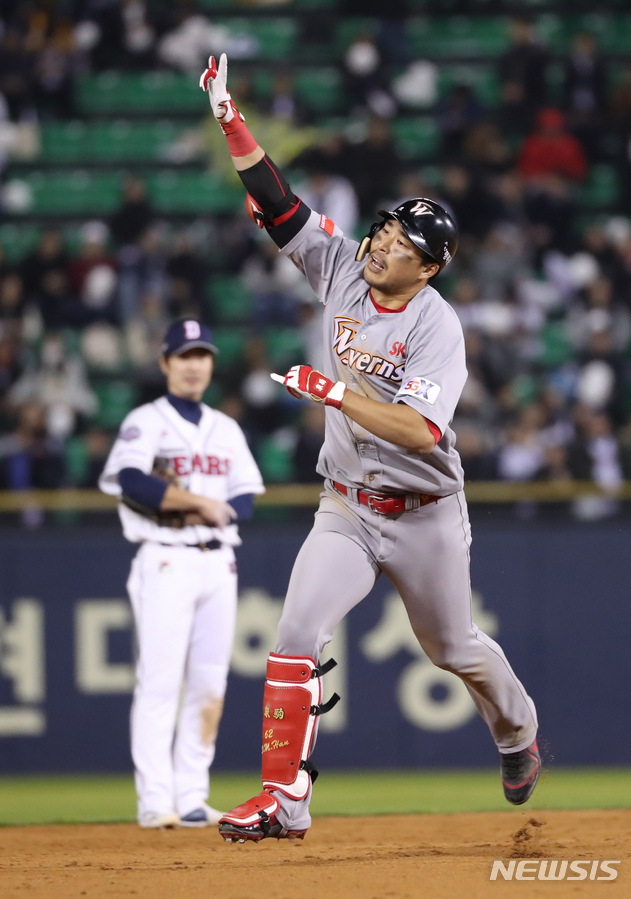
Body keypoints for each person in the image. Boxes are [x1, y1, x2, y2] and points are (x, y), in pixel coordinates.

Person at [199, 54, 540, 844]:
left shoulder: (436, 325)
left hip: (424, 513)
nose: (385, 239)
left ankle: (516, 729)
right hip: (346, 504)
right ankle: (285, 803)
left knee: (453, 646)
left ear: (429, 266)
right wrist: (230, 119)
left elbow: (422, 431)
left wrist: (333, 394)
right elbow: (278, 203)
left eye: (403, 239)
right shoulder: (346, 267)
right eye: (388, 225)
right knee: (292, 635)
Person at [99, 317, 265, 829]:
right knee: (160, 681)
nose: (194, 365)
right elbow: (130, 482)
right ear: (165, 363)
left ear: (211, 364)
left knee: (209, 683)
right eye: (184, 355)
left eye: (202, 355)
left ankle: (192, 796)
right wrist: (198, 503)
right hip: (165, 555)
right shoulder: (145, 421)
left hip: (219, 561)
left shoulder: (226, 428)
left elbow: (243, 500)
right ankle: (155, 800)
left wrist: (200, 507)